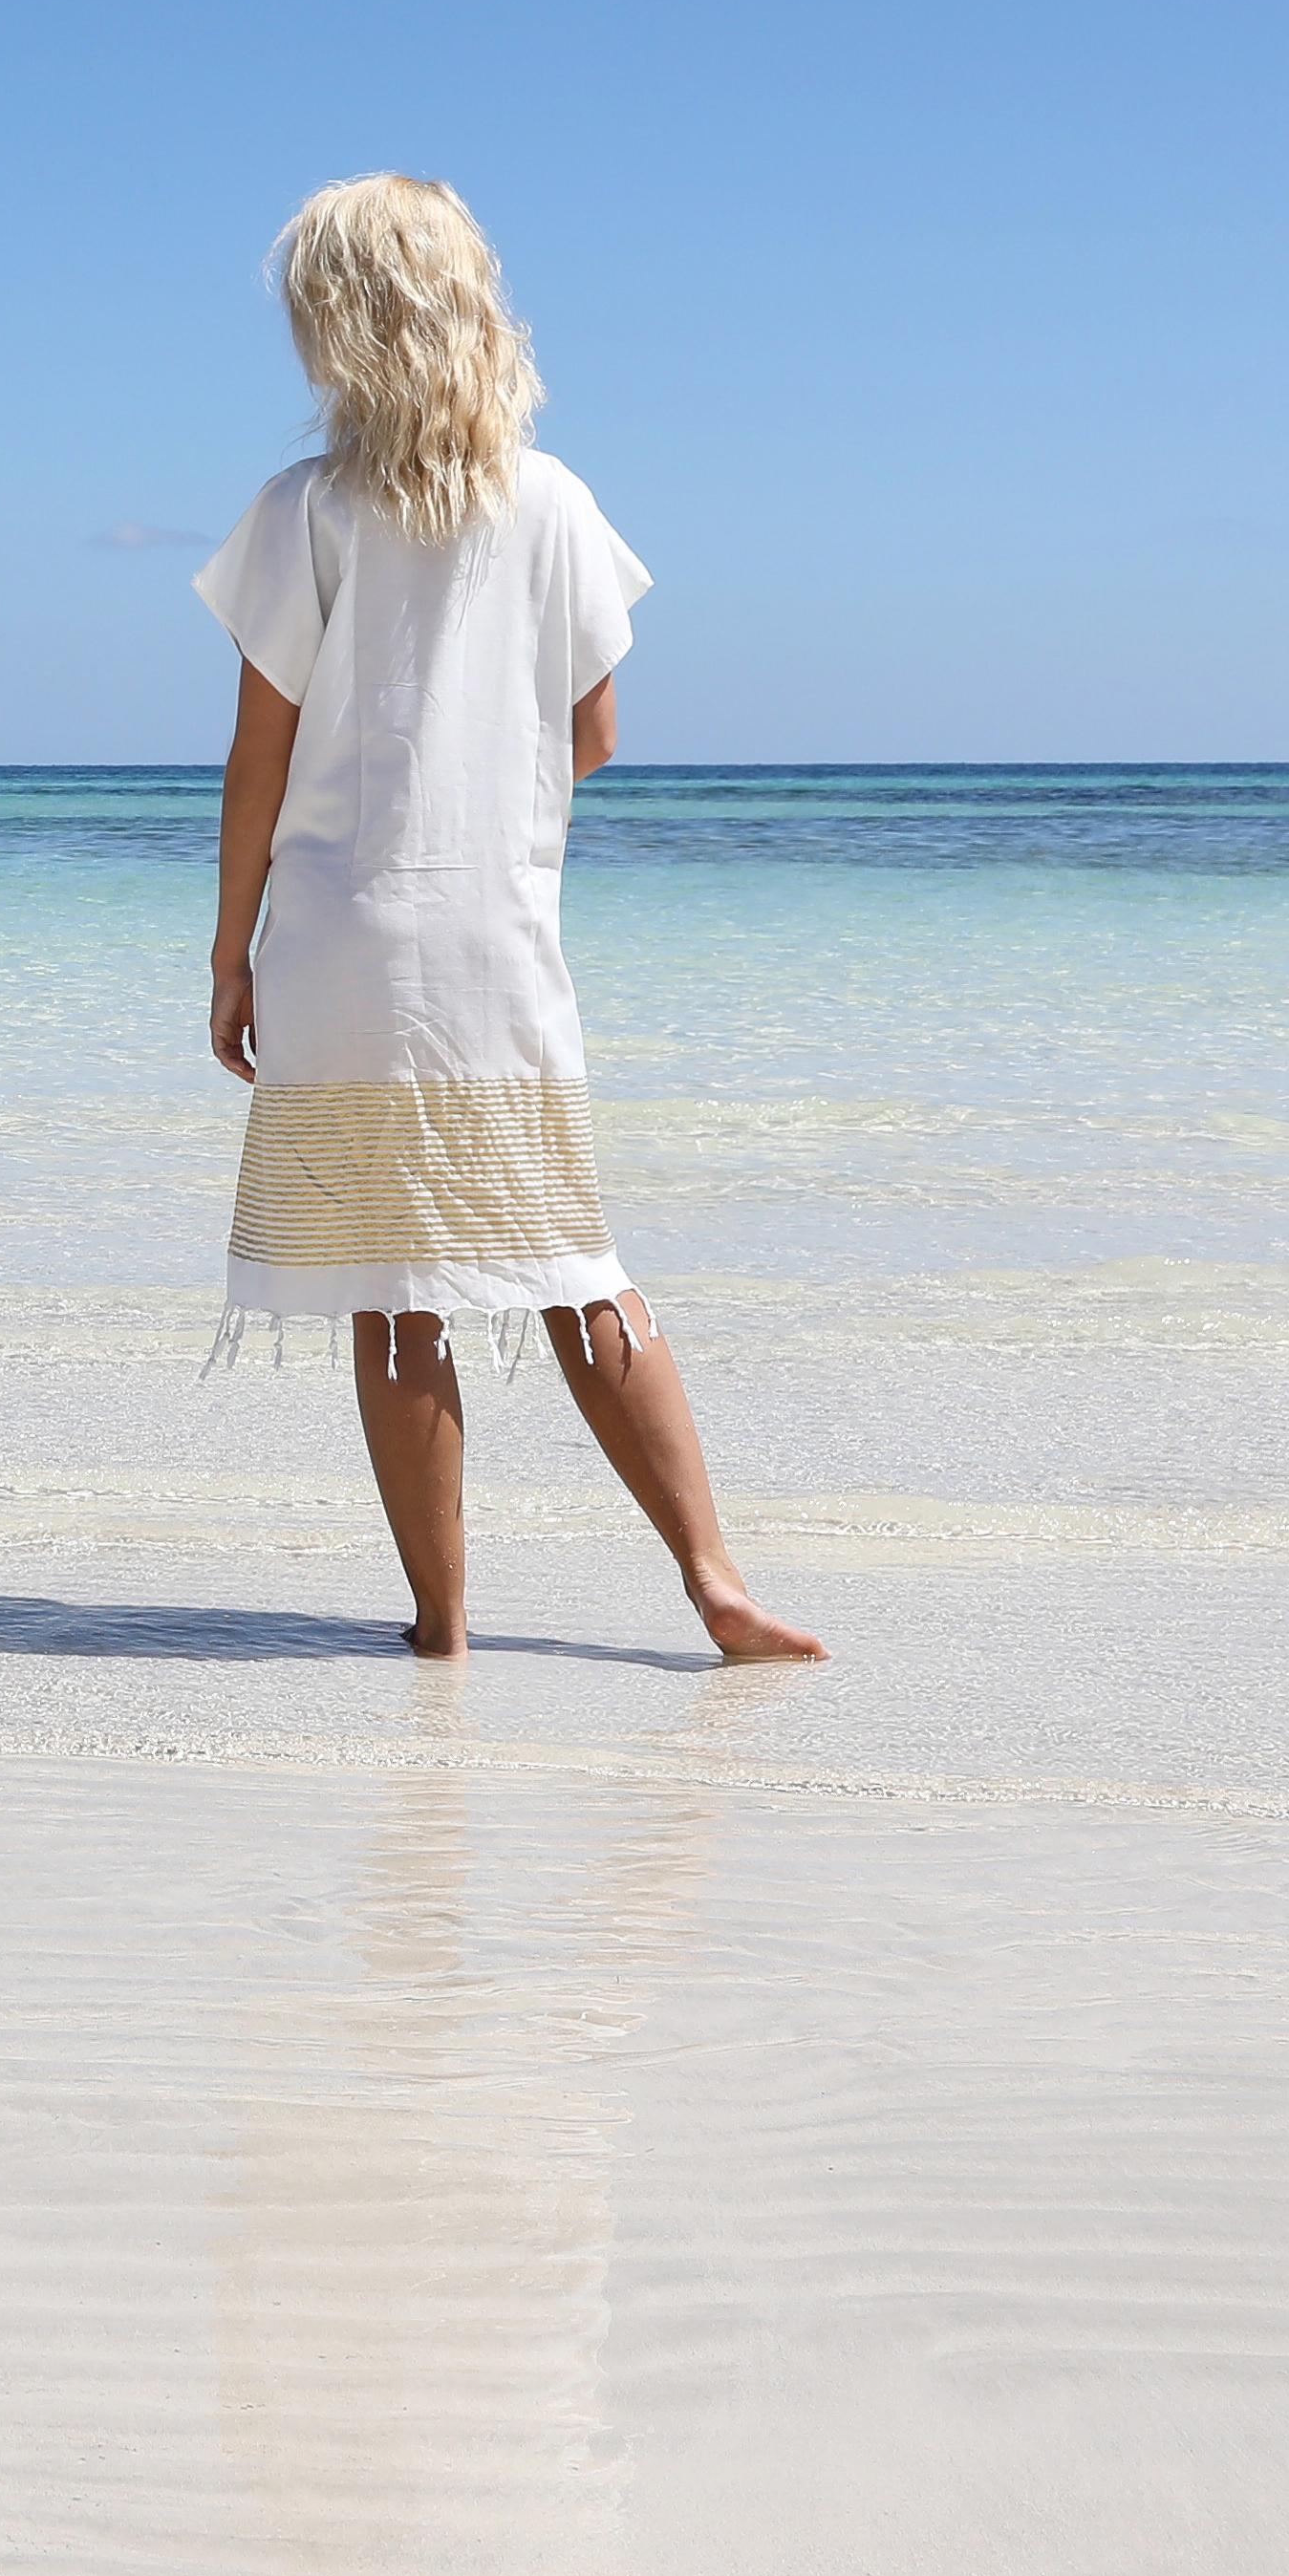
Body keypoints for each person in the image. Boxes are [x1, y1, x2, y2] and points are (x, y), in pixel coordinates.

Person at [202, 171, 820, 1668]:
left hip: (347, 942)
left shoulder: (307, 512)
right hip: (496, 943)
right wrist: (490, 796)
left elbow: (260, 760)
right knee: (575, 1264)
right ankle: (717, 1583)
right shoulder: (556, 505)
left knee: (394, 1297)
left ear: (338, 330)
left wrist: (230, 953)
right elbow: (592, 733)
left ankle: (445, 1625)